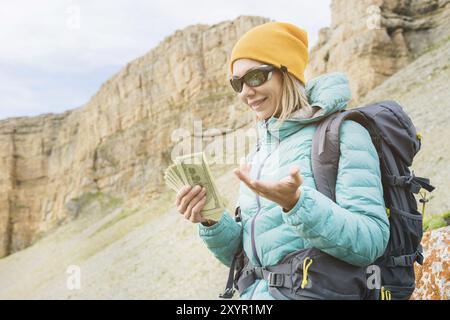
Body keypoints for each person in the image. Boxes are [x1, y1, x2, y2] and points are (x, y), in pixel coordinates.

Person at [175, 22, 390, 299]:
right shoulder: (260, 150)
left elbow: (371, 241)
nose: (245, 92)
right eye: (237, 83)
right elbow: (248, 258)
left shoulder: (343, 132)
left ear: (286, 72)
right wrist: (212, 221)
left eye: (254, 77)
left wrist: (297, 204)